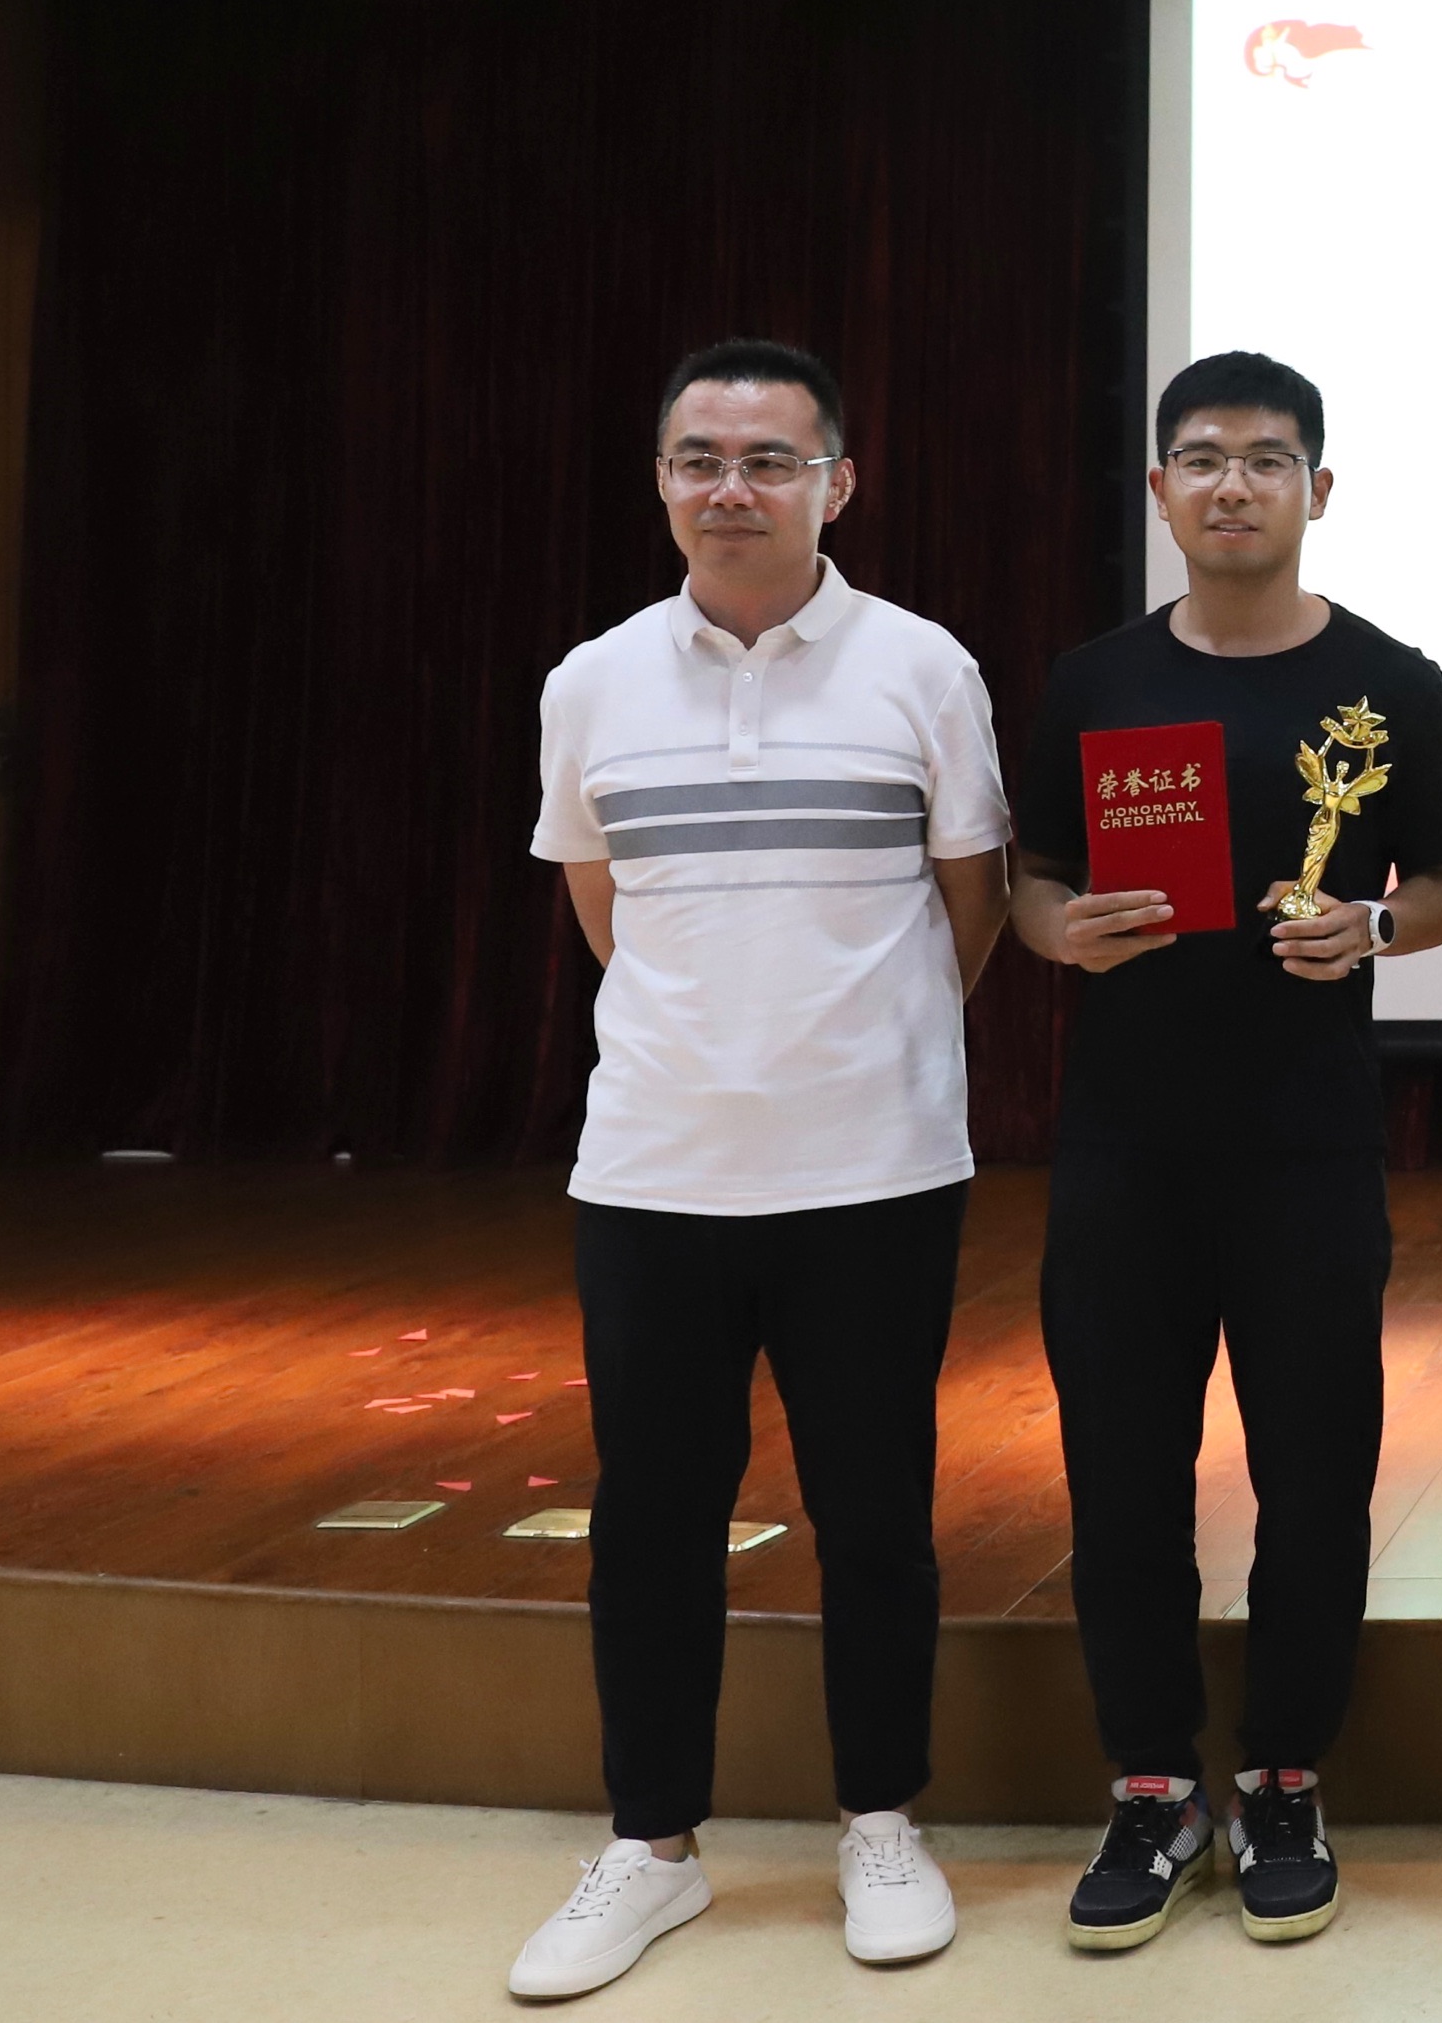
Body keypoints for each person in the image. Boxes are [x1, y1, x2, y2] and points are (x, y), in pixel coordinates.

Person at [510, 338, 1014, 2000]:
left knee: (874, 1513)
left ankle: (882, 1821)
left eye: (770, 460)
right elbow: (606, 910)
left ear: (836, 483)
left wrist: (855, 1047)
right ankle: (651, 1848)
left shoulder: (922, 667)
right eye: (699, 459)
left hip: (874, 1169)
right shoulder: (592, 680)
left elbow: (968, 907)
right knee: (652, 1521)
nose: (731, 488)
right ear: (661, 479)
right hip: (653, 1172)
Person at [1009, 349, 1442, 1950]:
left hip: (1308, 1143)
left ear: (1317, 489)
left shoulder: (1393, 680)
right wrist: (1062, 930)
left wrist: (1373, 928)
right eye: (1201, 456)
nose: (1233, 484)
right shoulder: (1093, 680)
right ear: (1160, 489)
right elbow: (1034, 878)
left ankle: (1282, 1771)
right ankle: (1152, 1781)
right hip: (1125, 1143)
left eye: (1268, 458)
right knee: (1121, 1468)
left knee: (1317, 1467)